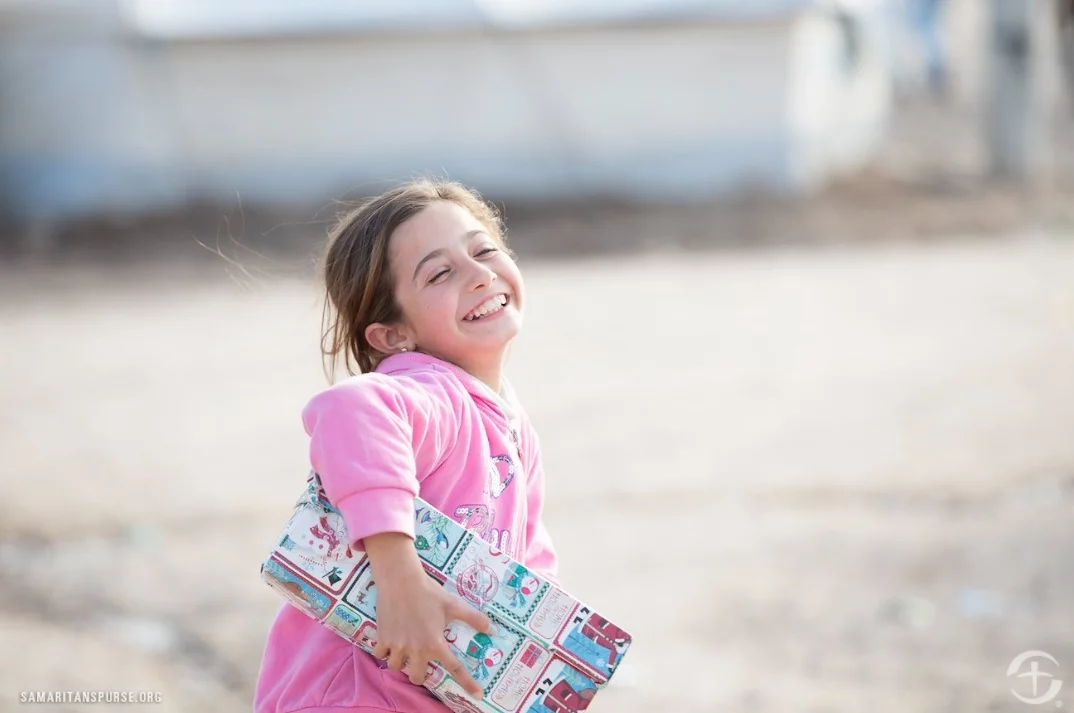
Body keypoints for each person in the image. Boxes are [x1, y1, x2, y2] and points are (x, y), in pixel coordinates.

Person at [254, 179, 559, 713]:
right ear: (392, 336)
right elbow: (352, 410)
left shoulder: (509, 422)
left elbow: (528, 567)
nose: (480, 273)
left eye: (484, 249)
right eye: (441, 273)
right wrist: (400, 581)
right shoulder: (432, 393)